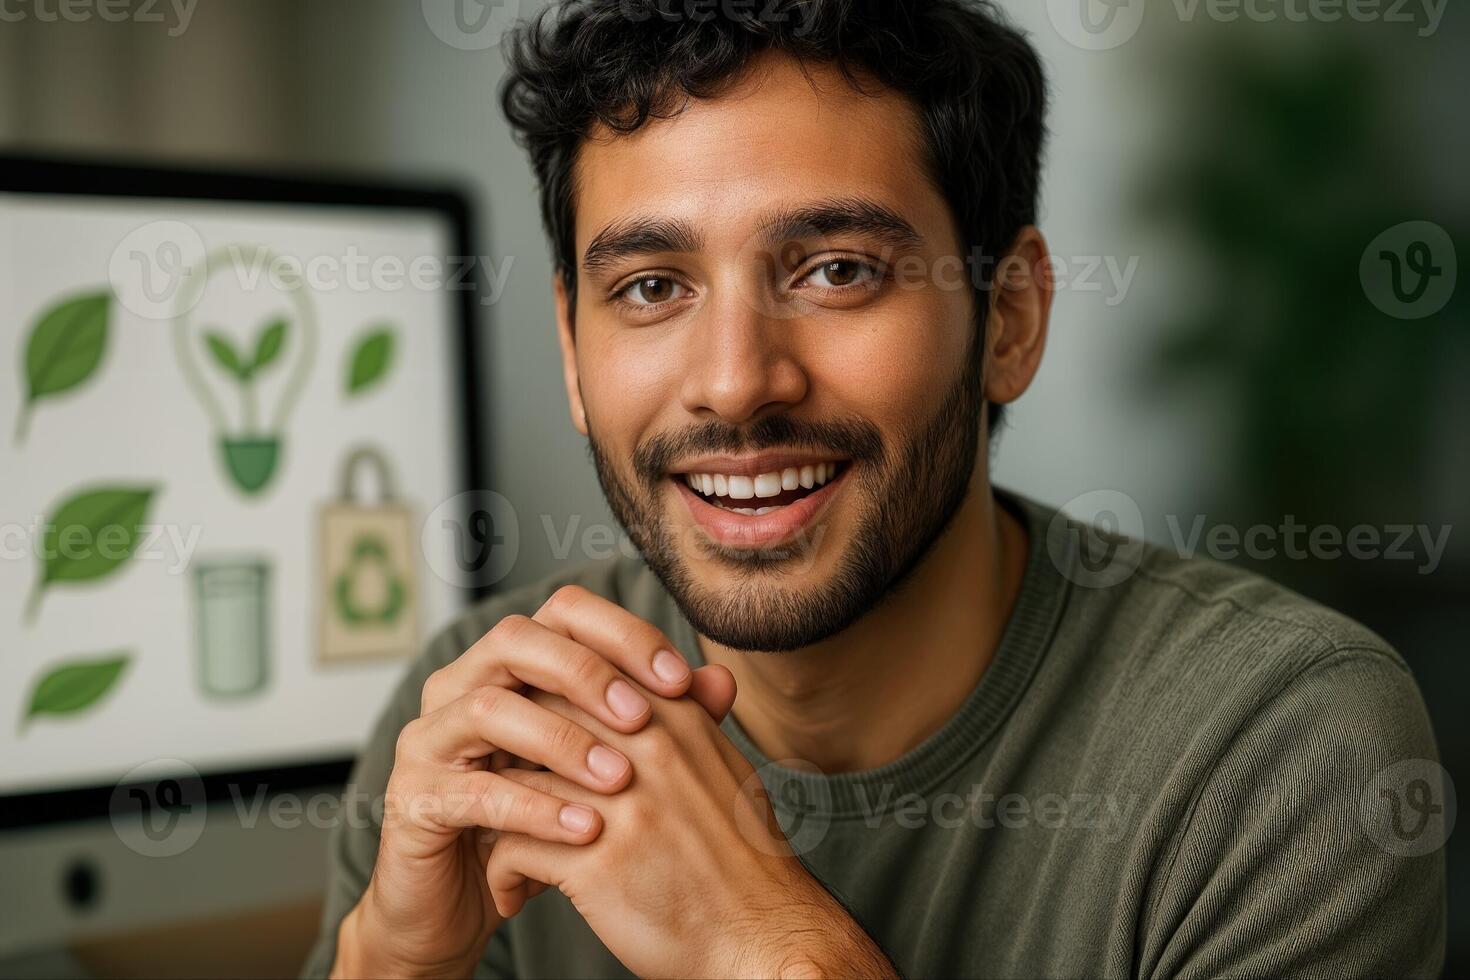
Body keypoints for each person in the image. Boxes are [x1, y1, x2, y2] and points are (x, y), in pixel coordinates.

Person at [304, 1, 1446, 976]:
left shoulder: (1284, 752)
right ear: (570, 347)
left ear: (1009, 317)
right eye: (652, 286)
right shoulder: (489, 724)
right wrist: (395, 959)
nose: (736, 382)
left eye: (836, 270)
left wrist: (767, 944)